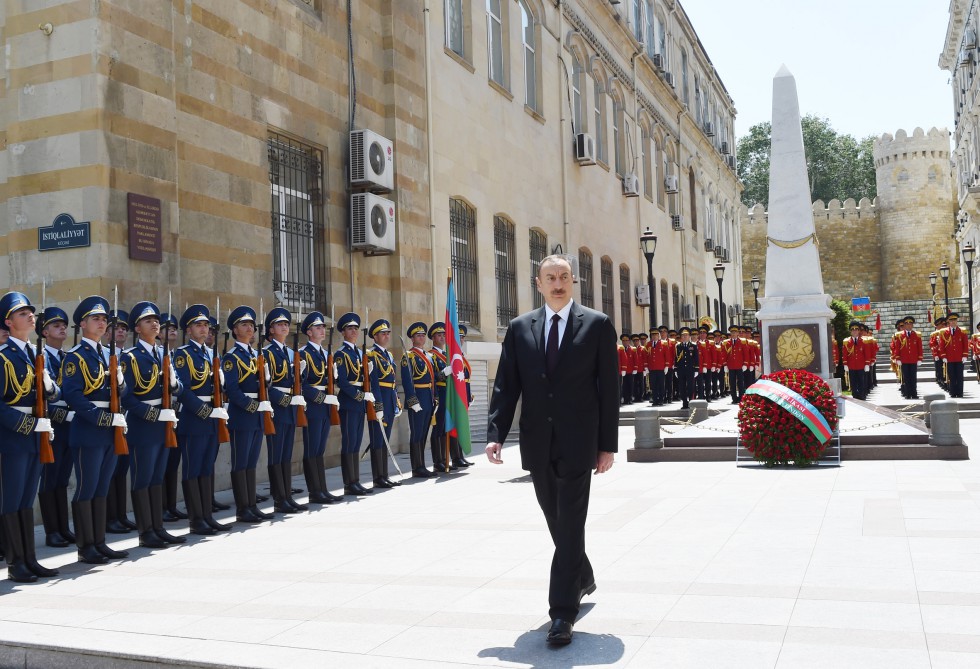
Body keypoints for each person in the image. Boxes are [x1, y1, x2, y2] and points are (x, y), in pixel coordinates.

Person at [486, 254, 619, 646]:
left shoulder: (596, 325)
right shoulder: (519, 328)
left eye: (563, 277)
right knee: (557, 520)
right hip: (538, 442)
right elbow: (506, 385)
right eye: (550, 278)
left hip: (580, 443)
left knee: (571, 522)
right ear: (538, 283)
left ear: (573, 281)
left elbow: (608, 390)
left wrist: (606, 445)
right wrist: (495, 432)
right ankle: (583, 573)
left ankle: (562, 613)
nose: (558, 283)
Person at [62, 295, 130, 563]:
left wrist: (122, 384)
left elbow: (120, 391)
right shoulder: (75, 356)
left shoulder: (108, 353)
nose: (102, 323)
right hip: (90, 430)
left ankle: (99, 541)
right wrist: (103, 419)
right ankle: (85, 546)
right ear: (82, 324)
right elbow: (73, 396)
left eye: (104, 319)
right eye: (96, 319)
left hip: (111, 429)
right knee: (87, 487)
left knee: (102, 487)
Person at [0, 292, 60, 582]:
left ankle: (29, 558)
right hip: (14, 438)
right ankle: (15, 563)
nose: (30, 316)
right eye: (23, 313)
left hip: (37, 433)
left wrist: (51, 387)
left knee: (27, 498)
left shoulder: (35, 354)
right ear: (9, 322)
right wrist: (27, 425)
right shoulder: (3, 357)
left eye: (31, 312)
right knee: (12, 499)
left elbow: (53, 393)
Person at [120, 302, 185, 548]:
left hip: (164, 422)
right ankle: (145, 531)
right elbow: (127, 397)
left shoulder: (164, 354)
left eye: (156, 320)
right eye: (148, 320)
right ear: (137, 328)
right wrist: (154, 415)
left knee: (158, 476)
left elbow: (177, 386)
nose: (155, 323)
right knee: (143, 477)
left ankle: (158, 527)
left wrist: (175, 384)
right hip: (144, 425)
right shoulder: (130, 357)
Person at [174, 305, 231, 534]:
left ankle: (207, 515)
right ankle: (196, 519)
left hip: (212, 417)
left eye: (206, 325)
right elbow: (184, 391)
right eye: (199, 325)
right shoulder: (183, 354)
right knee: (193, 468)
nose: (204, 329)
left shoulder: (211, 354)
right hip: (194, 418)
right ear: (188, 330)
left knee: (207, 467)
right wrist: (205, 411)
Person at [222, 306, 275, 523]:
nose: (250, 327)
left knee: (252, 462)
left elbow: (263, 384)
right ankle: (242, 508)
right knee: (241, 461)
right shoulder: (231, 357)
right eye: (244, 324)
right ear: (235, 330)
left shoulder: (256, 355)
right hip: (243, 415)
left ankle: (252, 504)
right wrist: (254, 406)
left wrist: (268, 381)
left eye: (251, 324)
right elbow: (232, 389)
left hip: (257, 414)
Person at [36, 307, 77, 548]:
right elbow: (43, 397)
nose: (62, 328)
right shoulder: (41, 357)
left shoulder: (67, 357)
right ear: (44, 331)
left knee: (62, 478)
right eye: (56, 325)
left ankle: (63, 527)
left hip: (69, 427)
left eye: (64, 325)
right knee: (49, 479)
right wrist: (65, 415)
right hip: (53, 425)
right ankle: (52, 530)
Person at [262, 307, 307, 512]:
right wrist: (287, 400)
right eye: (279, 324)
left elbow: (294, 381)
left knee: (287, 454)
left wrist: (302, 374)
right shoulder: (266, 353)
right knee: (276, 453)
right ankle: (279, 498)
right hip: (278, 408)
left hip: (290, 406)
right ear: (270, 330)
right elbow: (266, 386)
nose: (284, 326)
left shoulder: (290, 353)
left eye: (286, 324)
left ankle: (287, 495)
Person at [298, 311, 343, 504]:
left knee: (320, 449)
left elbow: (330, 381)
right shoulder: (303, 354)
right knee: (312, 448)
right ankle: (314, 491)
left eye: (323, 327)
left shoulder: (326, 354)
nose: (322, 330)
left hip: (326, 406)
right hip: (314, 406)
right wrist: (322, 397)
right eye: (318, 327)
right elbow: (302, 383)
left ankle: (322, 488)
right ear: (309, 332)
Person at [334, 312, 373, 495]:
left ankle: (355, 480)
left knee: (356, 443)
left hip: (360, 402)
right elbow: (341, 381)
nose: (354, 331)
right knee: (349, 442)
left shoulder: (359, 353)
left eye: (356, 328)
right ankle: (349, 483)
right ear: (343, 332)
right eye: (350, 328)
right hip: (350, 402)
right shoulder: (341, 354)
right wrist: (359, 396)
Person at [105, 309, 136, 536]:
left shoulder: (129, 357)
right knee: (109, 471)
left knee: (122, 469)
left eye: (124, 328)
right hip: (110, 419)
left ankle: (120, 515)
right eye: (116, 328)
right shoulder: (104, 356)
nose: (121, 331)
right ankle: (109, 517)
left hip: (126, 419)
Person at [366, 319, 401, 488]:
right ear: (375, 336)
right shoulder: (371, 355)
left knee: (385, 439)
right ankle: (377, 477)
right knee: (377, 440)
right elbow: (374, 382)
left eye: (388, 333)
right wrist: (378, 405)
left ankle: (384, 475)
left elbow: (392, 381)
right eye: (383, 333)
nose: (386, 336)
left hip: (389, 400)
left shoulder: (389, 355)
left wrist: (397, 401)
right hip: (379, 401)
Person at [159, 312, 187, 521]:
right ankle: (161, 508)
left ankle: (170, 504)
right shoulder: (160, 355)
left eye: (174, 328)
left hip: (177, 416)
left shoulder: (177, 355)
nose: (172, 331)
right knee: (161, 465)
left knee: (173, 463)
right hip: (161, 415)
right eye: (167, 328)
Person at [401, 321, 437, 478]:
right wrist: (412, 401)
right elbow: (407, 381)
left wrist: (435, 398)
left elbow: (433, 379)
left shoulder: (429, 356)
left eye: (423, 335)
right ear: (412, 338)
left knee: (423, 434)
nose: (421, 338)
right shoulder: (408, 356)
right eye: (418, 336)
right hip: (418, 399)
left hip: (428, 398)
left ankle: (422, 464)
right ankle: (417, 467)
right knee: (416, 434)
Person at [428, 322, 453, 472]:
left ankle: (445, 458)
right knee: (437, 429)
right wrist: (444, 373)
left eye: (444, 335)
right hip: (439, 394)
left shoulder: (446, 355)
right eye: (439, 335)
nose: (442, 337)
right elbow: (433, 377)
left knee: (445, 427)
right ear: (433, 338)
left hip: (448, 393)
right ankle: (437, 461)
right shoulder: (431, 355)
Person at [938, 312, 970, 398]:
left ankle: (959, 393)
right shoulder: (944, 332)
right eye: (951, 320)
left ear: (957, 321)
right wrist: (944, 356)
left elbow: (965, 344)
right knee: (951, 376)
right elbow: (941, 345)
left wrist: (965, 355)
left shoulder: (962, 332)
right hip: (949, 358)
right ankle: (952, 392)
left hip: (959, 358)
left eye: (955, 320)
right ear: (948, 321)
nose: (953, 322)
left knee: (959, 376)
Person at [841, 321, 870, 400]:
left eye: (856, 329)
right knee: (853, 382)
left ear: (859, 331)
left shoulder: (864, 341)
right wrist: (845, 364)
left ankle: (862, 396)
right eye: (852, 329)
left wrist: (867, 364)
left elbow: (866, 353)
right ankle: (855, 397)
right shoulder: (846, 342)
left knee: (862, 382)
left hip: (861, 365)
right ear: (850, 331)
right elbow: (844, 354)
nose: (854, 331)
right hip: (851, 366)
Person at [722, 325, 748, 404]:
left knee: (740, 382)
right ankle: (734, 398)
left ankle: (741, 397)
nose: (733, 334)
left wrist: (745, 364)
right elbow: (723, 354)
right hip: (731, 366)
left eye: (735, 332)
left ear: (737, 333)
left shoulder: (743, 342)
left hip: (740, 365)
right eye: (732, 332)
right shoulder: (726, 342)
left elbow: (745, 353)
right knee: (732, 383)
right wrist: (725, 364)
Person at [673, 327, 698, 410]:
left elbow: (696, 358)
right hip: (681, 370)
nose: (684, 337)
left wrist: (696, 369)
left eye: (686, 335)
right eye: (683, 336)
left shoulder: (693, 346)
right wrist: (676, 369)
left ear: (689, 336)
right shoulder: (678, 346)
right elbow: (676, 358)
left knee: (691, 387)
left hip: (690, 370)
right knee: (682, 387)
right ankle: (684, 403)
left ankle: (691, 402)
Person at [647, 328, 669, 406]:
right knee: (653, 385)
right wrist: (646, 366)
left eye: (656, 335)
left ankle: (661, 399)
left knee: (661, 385)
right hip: (652, 368)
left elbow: (667, 355)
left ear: (658, 336)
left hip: (660, 368)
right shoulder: (648, 344)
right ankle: (655, 400)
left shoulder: (664, 344)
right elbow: (647, 356)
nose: (654, 336)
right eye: (653, 335)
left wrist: (666, 366)